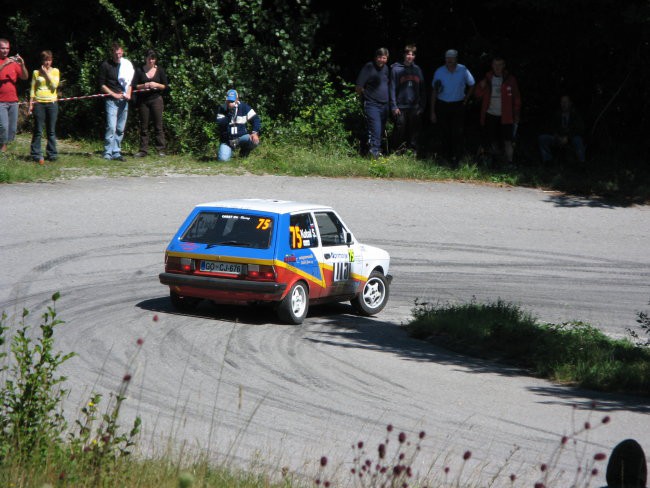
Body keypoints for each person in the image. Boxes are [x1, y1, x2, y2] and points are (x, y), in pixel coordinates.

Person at [430, 49, 475, 164]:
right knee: (444, 132)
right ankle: (444, 157)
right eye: (447, 58)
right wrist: (432, 111)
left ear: (456, 59)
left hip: (458, 105)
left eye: (451, 58)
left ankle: (457, 158)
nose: (449, 60)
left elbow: (472, 84)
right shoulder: (439, 71)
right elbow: (434, 91)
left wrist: (466, 99)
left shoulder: (463, 70)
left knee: (457, 133)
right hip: (442, 105)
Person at [474, 56, 521, 167]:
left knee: (508, 141)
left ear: (504, 66)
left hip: (506, 116)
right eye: (495, 64)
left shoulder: (510, 79)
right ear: (492, 65)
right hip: (490, 114)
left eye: (500, 64)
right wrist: (480, 87)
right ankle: (482, 161)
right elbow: (477, 95)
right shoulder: (487, 78)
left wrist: (517, 113)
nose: (497, 67)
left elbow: (517, 98)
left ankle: (509, 163)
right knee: (486, 140)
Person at [98, 41, 134, 161]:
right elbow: (102, 85)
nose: (118, 56)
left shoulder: (126, 65)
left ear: (122, 52)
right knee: (111, 127)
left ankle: (116, 151)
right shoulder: (106, 65)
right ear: (112, 53)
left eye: (119, 53)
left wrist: (128, 93)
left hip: (124, 101)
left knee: (120, 128)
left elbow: (130, 82)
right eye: (115, 54)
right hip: (111, 100)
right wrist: (113, 94)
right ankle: (107, 152)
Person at [389, 44, 426, 155]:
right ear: (404, 55)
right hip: (400, 106)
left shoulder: (417, 69)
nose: (410, 56)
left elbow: (422, 89)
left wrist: (422, 106)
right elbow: (392, 88)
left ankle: (413, 152)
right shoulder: (396, 69)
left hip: (415, 107)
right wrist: (394, 106)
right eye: (408, 54)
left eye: (412, 54)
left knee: (414, 131)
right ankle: (398, 152)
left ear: (414, 56)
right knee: (399, 130)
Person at [133, 49, 169, 157]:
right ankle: (143, 150)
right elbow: (134, 86)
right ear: (145, 58)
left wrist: (156, 84)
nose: (151, 60)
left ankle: (161, 149)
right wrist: (145, 85)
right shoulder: (139, 70)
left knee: (158, 125)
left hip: (156, 99)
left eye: (153, 58)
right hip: (143, 101)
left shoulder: (160, 70)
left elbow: (165, 86)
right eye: (149, 58)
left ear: (155, 59)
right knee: (144, 126)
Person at [356, 47, 390, 159]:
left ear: (387, 59)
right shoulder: (369, 67)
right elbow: (359, 87)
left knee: (380, 131)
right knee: (375, 129)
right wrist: (364, 98)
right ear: (376, 57)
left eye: (384, 58)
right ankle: (373, 155)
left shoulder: (386, 69)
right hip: (372, 104)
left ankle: (375, 151)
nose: (381, 60)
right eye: (379, 57)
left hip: (384, 105)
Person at [29, 50, 60, 164]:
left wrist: (46, 73)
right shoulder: (36, 72)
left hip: (52, 103)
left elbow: (54, 86)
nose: (47, 62)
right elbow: (33, 89)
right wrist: (30, 104)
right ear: (42, 61)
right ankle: (36, 153)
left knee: (51, 130)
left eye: (49, 60)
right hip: (39, 103)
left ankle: (52, 153)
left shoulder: (55, 71)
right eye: (45, 60)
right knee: (38, 129)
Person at [538, 94, 586, 165]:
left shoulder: (575, 114)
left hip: (571, 138)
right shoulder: (557, 114)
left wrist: (568, 138)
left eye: (565, 102)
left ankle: (581, 163)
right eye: (562, 102)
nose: (563, 104)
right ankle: (548, 161)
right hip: (558, 138)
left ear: (570, 103)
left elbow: (580, 129)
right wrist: (557, 136)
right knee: (542, 138)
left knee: (578, 140)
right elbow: (551, 127)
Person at [216, 89, 261, 161]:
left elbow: (256, 119)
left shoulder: (244, 107)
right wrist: (229, 114)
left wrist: (254, 132)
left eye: (232, 101)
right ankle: (229, 152)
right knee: (223, 160)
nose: (230, 103)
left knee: (254, 140)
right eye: (229, 101)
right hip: (227, 140)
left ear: (237, 100)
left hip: (241, 137)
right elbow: (221, 123)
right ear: (226, 100)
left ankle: (244, 152)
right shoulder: (222, 109)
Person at [0, 38, 28, 153]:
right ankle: (3, 149)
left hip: (13, 101)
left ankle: (6, 145)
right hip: (1, 101)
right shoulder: (5, 62)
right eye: (2, 48)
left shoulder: (14, 63)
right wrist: (4, 64)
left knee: (12, 128)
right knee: (3, 126)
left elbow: (25, 77)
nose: (5, 50)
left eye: (7, 48)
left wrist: (22, 65)